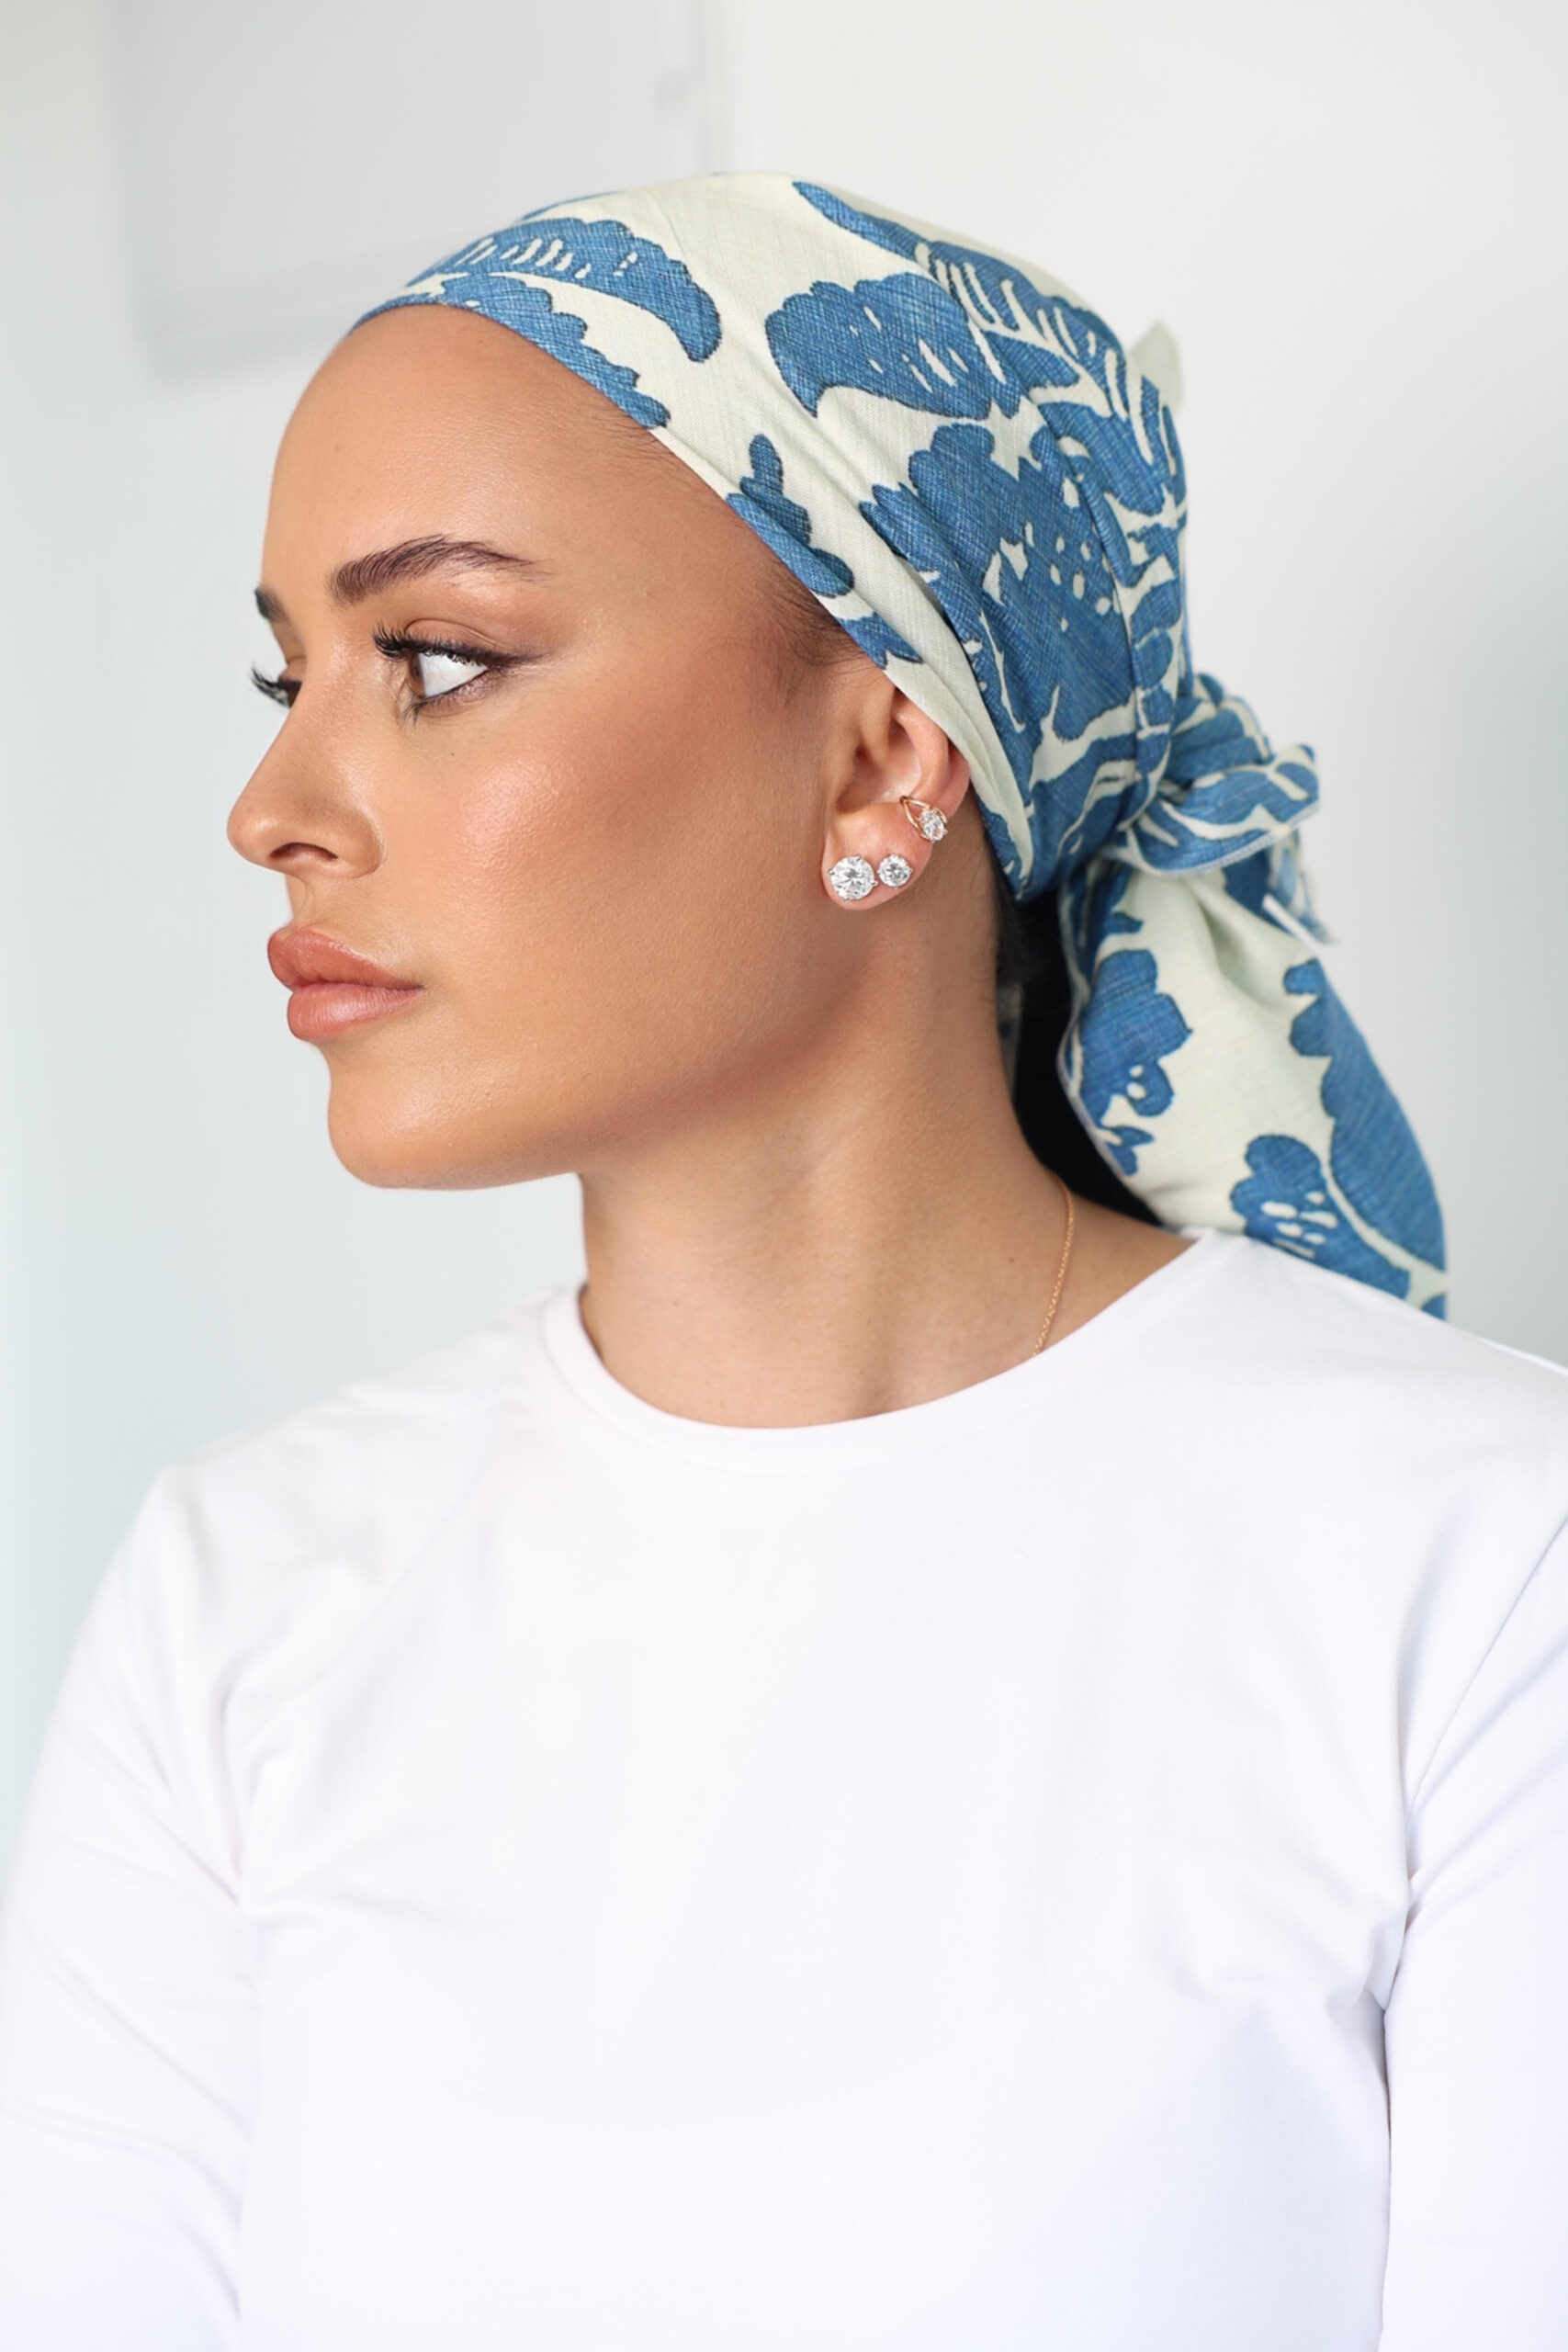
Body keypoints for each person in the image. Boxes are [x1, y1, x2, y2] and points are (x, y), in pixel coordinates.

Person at [1, 174, 1564, 2351]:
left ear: (879, 753)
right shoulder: (237, 1599)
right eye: (289, 673)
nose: (272, 803)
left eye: (435, 659)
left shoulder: (1481, 1558)